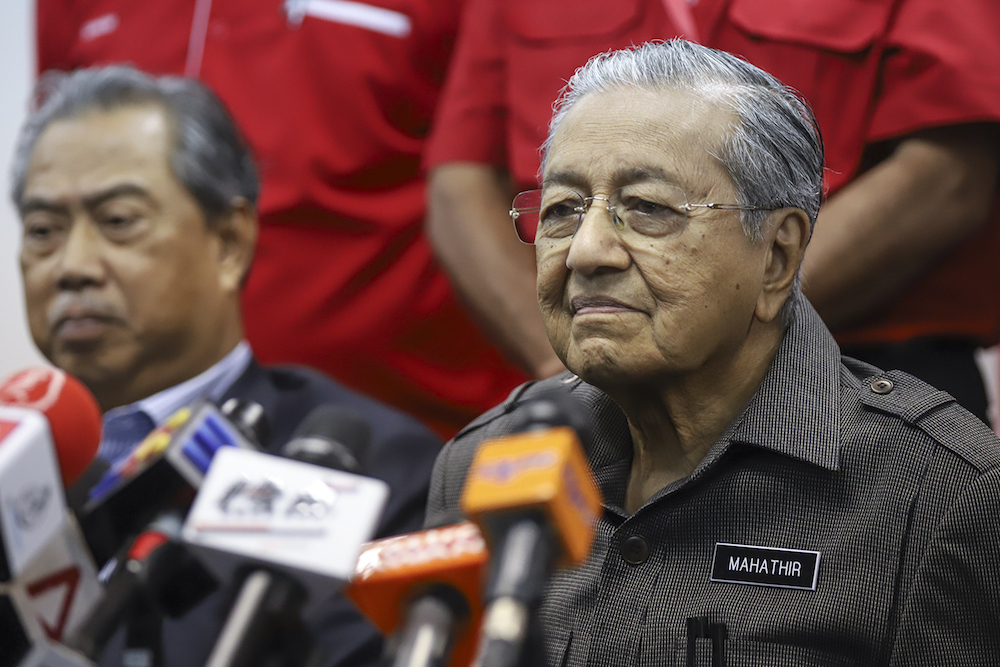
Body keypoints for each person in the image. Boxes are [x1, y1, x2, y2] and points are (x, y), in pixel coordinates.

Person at [426, 41, 1000, 665]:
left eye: (646, 209)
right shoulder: (488, 462)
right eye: (563, 210)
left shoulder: (939, 492)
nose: (586, 252)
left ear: (778, 256)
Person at [13, 65, 442, 667]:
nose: (72, 265)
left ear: (229, 243)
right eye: (43, 231)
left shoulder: (373, 470)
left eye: (117, 222)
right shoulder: (17, 472)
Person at [425, 0, 1000, 423]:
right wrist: (579, 365)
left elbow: (948, 173)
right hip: (591, 393)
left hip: (860, 376)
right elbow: (461, 184)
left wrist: (723, 327)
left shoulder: (941, 478)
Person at [35, 0, 529, 439]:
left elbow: (492, 180)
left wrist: (562, 371)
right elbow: (58, 175)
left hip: (430, 438)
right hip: (134, 448)